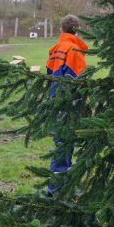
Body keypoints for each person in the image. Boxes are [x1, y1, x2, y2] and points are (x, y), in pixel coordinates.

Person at [46, 13, 88, 194]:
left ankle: (63, 184)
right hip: (68, 102)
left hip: (56, 100)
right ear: (77, 31)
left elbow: (49, 75)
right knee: (64, 143)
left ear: (61, 29)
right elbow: (78, 80)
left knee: (64, 141)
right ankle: (55, 188)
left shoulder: (55, 48)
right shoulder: (73, 50)